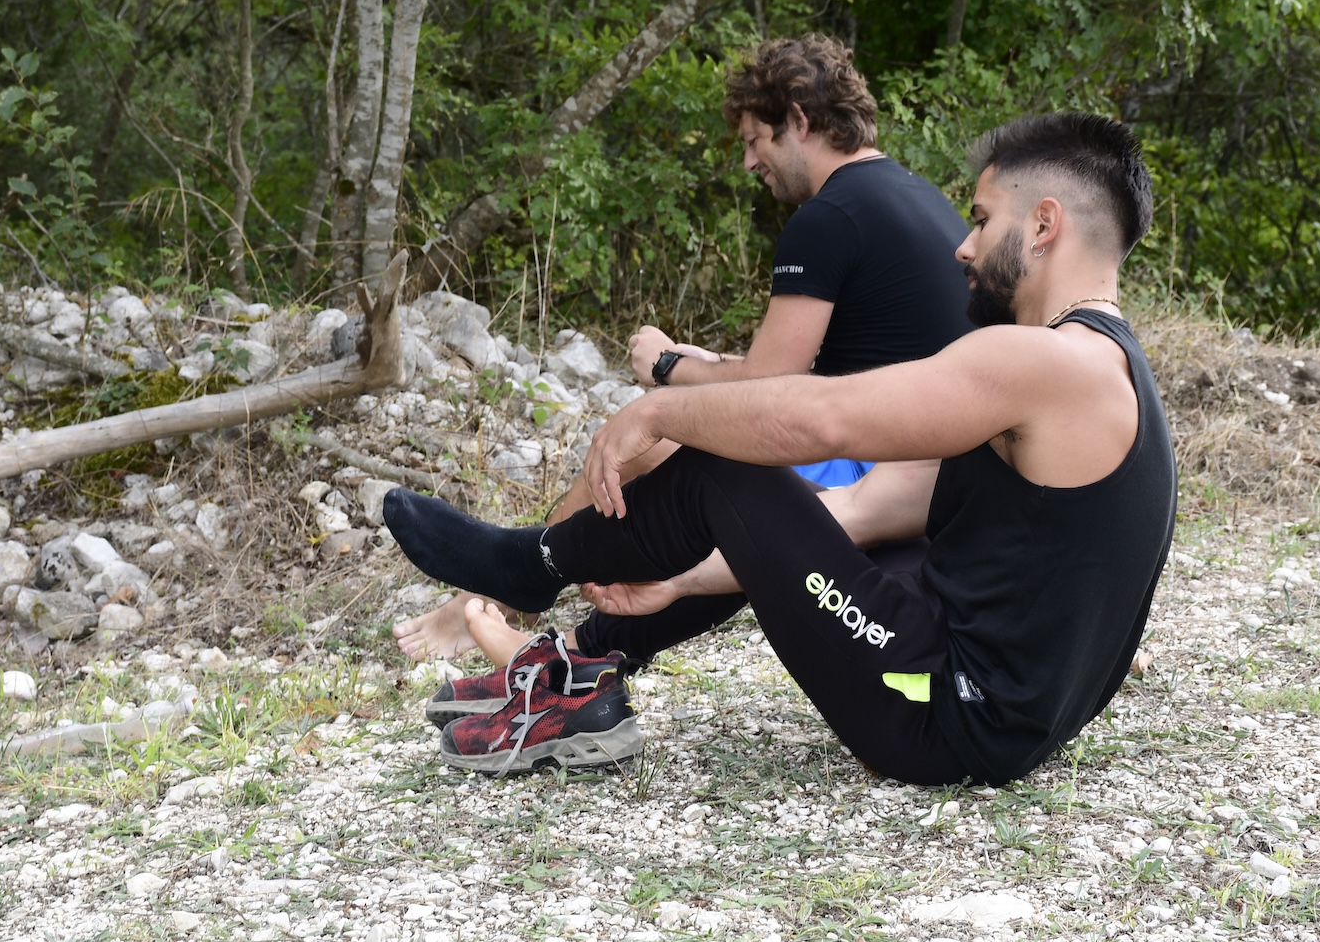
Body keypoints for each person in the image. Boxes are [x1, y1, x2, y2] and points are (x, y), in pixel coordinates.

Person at [385, 112, 1177, 786]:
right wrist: (689, 577)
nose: (964, 248)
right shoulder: (1109, 369)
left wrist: (664, 408)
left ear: (1043, 224)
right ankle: (575, 668)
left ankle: (533, 567)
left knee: (732, 460)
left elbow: (821, 420)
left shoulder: (1042, 362)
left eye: (980, 219)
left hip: (948, 719)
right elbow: (864, 507)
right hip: (1006, 714)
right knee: (777, 500)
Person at [393, 33, 973, 663]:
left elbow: (768, 388)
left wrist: (668, 369)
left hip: (883, 478)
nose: (750, 162)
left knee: (659, 446)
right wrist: (700, 365)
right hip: (921, 470)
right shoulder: (917, 198)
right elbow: (818, 371)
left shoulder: (828, 217)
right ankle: (537, 609)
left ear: (800, 121)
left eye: (755, 141)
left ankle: (516, 593)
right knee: (686, 442)